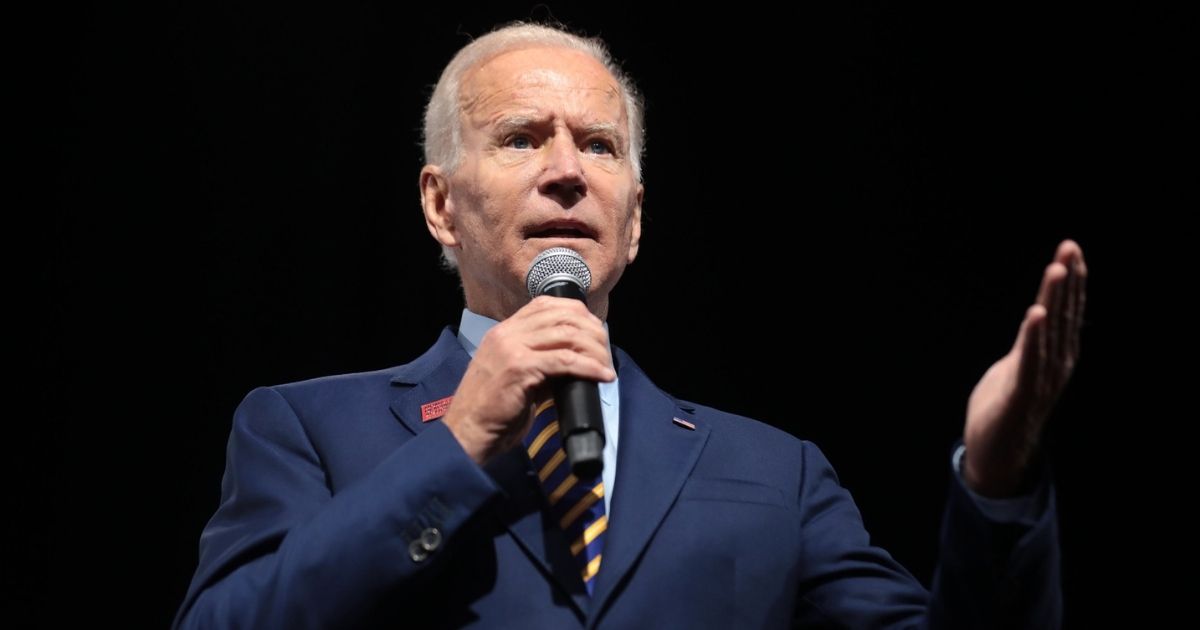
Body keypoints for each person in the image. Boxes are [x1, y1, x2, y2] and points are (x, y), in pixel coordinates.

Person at [174, 22, 1086, 629]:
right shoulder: (304, 430)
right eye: (523, 137)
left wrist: (996, 481)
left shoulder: (774, 472)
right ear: (441, 205)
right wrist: (452, 449)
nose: (568, 171)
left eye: (599, 145)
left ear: (635, 217)